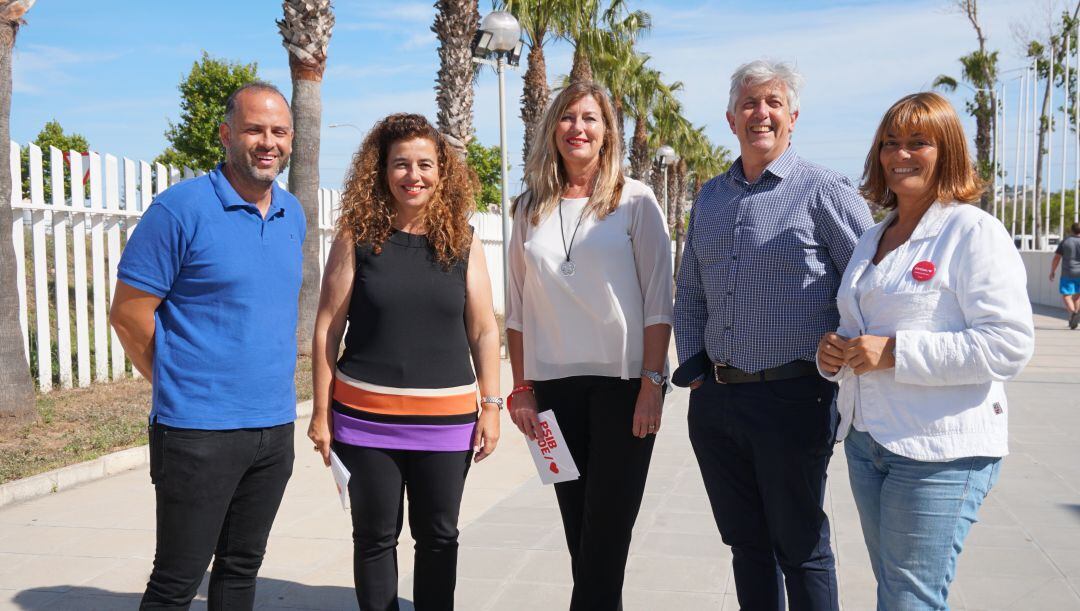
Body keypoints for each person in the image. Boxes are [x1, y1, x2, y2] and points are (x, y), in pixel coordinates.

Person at [817, 92, 1035, 609]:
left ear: (949, 151)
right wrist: (835, 354)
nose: (901, 155)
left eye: (919, 142)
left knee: (911, 598)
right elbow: (858, 327)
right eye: (890, 143)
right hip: (869, 442)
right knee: (896, 590)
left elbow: (1009, 344)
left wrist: (895, 352)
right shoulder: (873, 237)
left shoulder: (972, 232)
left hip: (941, 452)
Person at [673, 59, 874, 611]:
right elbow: (689, 290)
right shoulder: (710, 197)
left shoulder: (823, 189)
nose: (761, 113)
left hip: (795, 396)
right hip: (718, 402)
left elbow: (871, 277)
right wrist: (694, 371)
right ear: (731, 119)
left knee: (801, 546)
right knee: (746, 545)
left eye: (773, 103)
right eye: (749, 104)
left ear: (792, 117)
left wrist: (850, 348)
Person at [109, 82, 302, 609]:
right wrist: (184, 381)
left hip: (273, 428)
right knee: (177, 580)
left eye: (279, 131)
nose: (268, 142)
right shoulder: (179, 210)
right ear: (226, 134)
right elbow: (128, 316)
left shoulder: (292, 213)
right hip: (197, 432)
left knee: (241, 572)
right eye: (254, 129)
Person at [307, 113, 501, 611]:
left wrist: (492, 405)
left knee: (439, 537)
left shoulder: (465, 240)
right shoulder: (356, 236)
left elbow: (482, 329)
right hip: (364, 421)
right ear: (382, 171)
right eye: (400, 165)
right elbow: (328, 327)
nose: (413, 175)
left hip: (446, 422)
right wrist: (320, 413)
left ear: (442, 172)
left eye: (424, 164)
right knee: (374, 538)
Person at [505, 81, 672, 611]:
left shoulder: (636, 200)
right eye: (568, 117)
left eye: (590, 118)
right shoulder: (527, 207)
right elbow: (516, 307)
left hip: (623, 388)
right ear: (553, 128)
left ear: (607, 133)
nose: (578, 127)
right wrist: (522, 389)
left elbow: (658, 302)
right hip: (553, 391)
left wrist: (652, 384)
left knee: (607, 536)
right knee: (581, 535)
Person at [1049, 221, 1080, 329]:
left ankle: (1073, 313)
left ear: (1072, 230)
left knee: (1066, 294)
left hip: (1068, 273)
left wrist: (1052, 271)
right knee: (1077, 296)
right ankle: (1074, 317)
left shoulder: (1066, 242)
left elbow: (1057, 258)